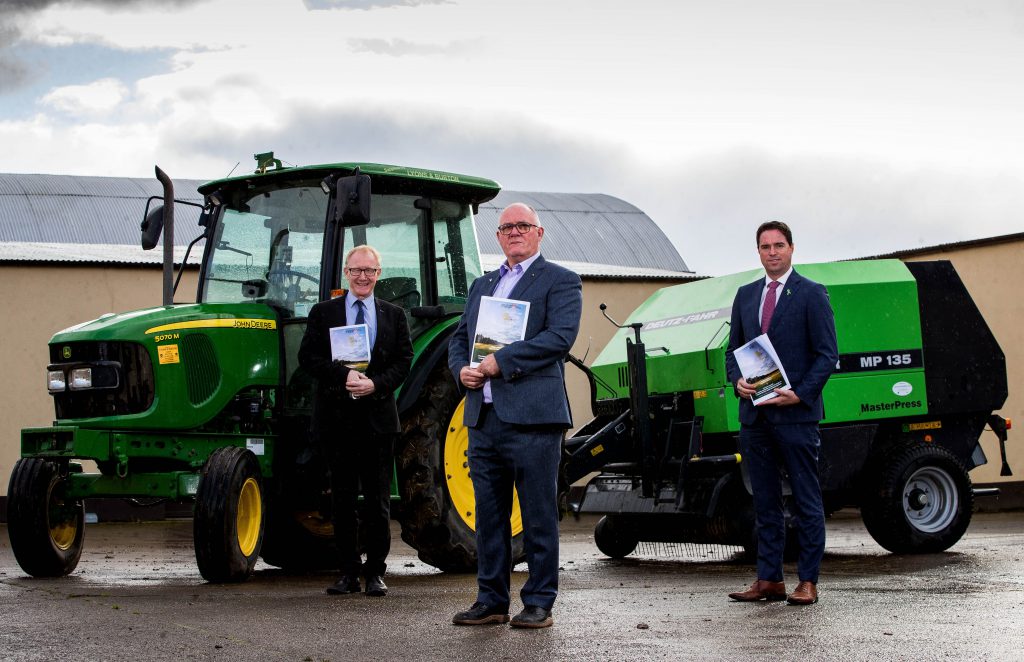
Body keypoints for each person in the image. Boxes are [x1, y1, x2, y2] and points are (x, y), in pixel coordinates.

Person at [448, 203, 582, 629]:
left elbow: (558, 338)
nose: (514, 232)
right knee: (489, 517)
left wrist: (499, 363)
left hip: (533, 419)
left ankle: (539, 601)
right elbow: (460, 338)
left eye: (523, 226)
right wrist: (462, 370)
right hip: (483, 417)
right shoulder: (482, 285)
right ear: (498, 236)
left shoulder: (560, 281)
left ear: (539, 233)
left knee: (538, 514)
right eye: (506, 227)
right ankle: (491, 600)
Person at [724, 221, 838, 606]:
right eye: (765, 247)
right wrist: (737, 380)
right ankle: (768, 579)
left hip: (797, 416)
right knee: (765, 502)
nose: (772, 252)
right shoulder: (745, 295)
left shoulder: (811, 294)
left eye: (778, 245)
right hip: (755, 417)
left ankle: (808, 581)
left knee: (806, 500)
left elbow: (827, 355)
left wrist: (800, 395)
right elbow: (732, 351)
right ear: (758, 252)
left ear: (791, 248)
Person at [298, 244, 413, 597]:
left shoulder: (394, 315)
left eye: (370, 271)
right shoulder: (323, 313)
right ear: (346, 273)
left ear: (379, 274)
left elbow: (403, 361)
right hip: (337, 420)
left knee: (378, 500)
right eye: (357, 270)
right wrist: (342, 376)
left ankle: (375, 572)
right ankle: (347, 572)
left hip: (377, 420)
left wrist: (375, 384)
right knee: (342, 500)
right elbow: (308, 358)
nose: (363, 277)